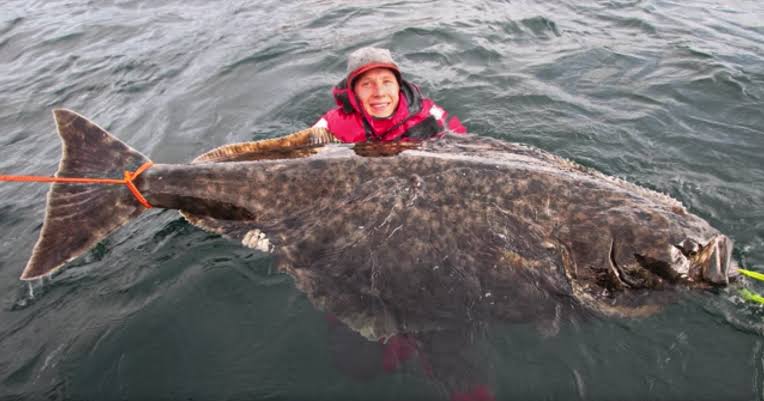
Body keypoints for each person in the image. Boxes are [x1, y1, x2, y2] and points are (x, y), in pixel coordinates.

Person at [313, 47, 466, 142]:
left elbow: (463, 147)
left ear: (398, 86)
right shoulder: (330, 125)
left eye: (386, 82)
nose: (379, 93)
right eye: (367, 84)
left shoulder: (431, 115)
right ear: (354, 92)